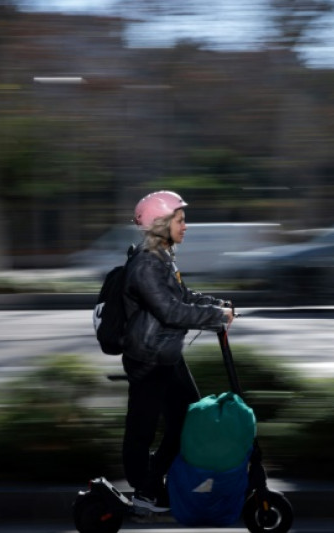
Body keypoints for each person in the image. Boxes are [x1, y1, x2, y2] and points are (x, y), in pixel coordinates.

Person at [121, 190, 235, 513]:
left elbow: (184, 296)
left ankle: (154, 480)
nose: (186, 226)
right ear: (160, 223)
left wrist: (218, 305)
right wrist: (216, 318)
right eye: (180, 220)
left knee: (189, 421)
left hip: (166, 354)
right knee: (141, 430)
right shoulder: (145, 264)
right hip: (147, 359)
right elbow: (171, 311)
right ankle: (145, 490)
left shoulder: (162, 259)